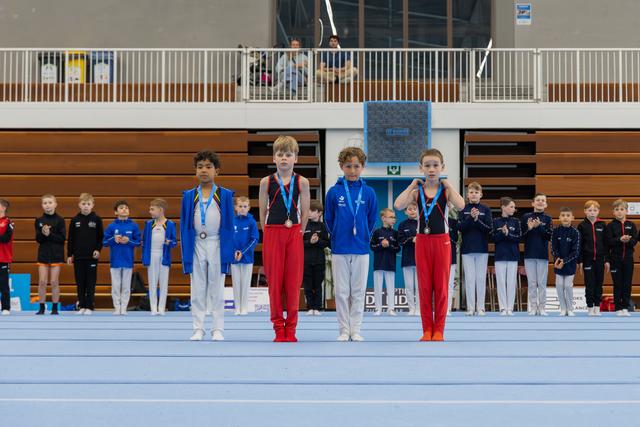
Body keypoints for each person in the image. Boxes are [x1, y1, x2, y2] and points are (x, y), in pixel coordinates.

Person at [394, 149, 465, 341]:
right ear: (421, 168)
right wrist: (410, 186)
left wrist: (448, 183)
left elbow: (461, 205)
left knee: (441, 288)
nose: (432, 169)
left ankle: (439, 329)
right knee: (424, 287)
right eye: (427, 166)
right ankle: (427, 329)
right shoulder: (417, 193)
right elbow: (398, 205)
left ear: (442, 167)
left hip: (442, 242)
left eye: (436, 165)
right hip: (422, 242)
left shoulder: (446, 191)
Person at [259, 136, 310, 342]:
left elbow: (305, 213)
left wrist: (298, 233)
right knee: (275, 283)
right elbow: (262, 213)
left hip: (294, 233)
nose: (284, 158)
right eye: (280, 155)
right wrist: (269, 233)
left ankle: (292, 328)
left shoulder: (302, 182)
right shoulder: (266, 182)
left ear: (295, 159)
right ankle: (278, 328)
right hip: (273, 233)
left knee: (292, 282)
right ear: (274, 158)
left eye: (288, 155)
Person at [181, 150, 235, 341]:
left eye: (208, 167)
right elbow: (185, 225)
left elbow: (229, 224)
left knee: (216, 287)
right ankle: (198, 327)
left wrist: (229, 249)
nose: (204, 170)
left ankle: (217, 328)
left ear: (217, 171)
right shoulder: (189, 196)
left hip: (217, 243)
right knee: (197, 287)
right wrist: (186, 252)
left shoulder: (225, 195)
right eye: (200, 167)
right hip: (196, 243)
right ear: (195, 171)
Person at [325, 146, 378, 342]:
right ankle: (343, 330)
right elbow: (328, 219)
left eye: (356, 166)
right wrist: (336, 237)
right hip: (340, 248)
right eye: (348, 166)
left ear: (362, 167)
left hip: (361, 248)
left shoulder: (369, 192)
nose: (352, 170)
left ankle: (356, 329)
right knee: (341, 291)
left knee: (357, 291)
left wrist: (364, 235)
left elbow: (372, 219)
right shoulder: (333, 192)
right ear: (341, 166)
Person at [67, 193, 104, 315]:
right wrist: (69, 254)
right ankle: (82, 305)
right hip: (78, 257)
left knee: (90, 282)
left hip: (91, 257)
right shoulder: (75, 220)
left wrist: (98, 249)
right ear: (79, 205)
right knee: (80, 282)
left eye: (88, 204)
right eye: (83, 204)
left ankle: (89, 306)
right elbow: (70, 239)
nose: (86, 206)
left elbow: (100, 237)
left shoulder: (97, 219)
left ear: (92, 205)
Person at [459, 182, 492, 316]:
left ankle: (481, 307)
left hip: (482, 249)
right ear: (467, 195)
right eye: (471, 192)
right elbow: (460, 227)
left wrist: (477, 219)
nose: (474, 195)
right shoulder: (463, 208)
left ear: (481, 195)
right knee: (470, 279)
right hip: (467, 249)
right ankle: (471, 307)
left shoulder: (486, 209)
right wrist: (470, 218)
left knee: (480, 278)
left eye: (476, 192)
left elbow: (488, 228)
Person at [103, 200, 141, 316]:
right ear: (116, 212)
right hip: (115, 261)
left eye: (126, 208)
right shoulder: (111, 226)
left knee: (126, 286)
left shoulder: (133, 226)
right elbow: (104, 242)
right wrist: (114, 239)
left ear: (129, 211)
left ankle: (124, 307)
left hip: (128, 260)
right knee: (116, 286)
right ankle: (117, 307)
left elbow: (138, 242)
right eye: (121, 208)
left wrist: (128, 241)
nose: (124, 209)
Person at [142, 198, 177, 316]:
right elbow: (145, 241)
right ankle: (153, 308)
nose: (150, 211)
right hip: (151, 255)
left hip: (164, 256)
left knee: (163, 283)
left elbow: (174, 242)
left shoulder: (170, 224)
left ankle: (161, 308)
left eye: (152, 209)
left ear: (160, 210)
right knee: (152, 283)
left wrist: (169, 243)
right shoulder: (148, 224)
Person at [522, 193, 553, 316]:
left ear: (545, 204)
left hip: (542, 255)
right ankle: (533, 307)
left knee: (542, 283)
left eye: (543, 200)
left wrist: (539, 227)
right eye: (538, 200)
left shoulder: (548, 218)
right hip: (529, 254)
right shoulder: (526, 217)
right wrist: (529, 228)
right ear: (533, 203)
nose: (540, 202)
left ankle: (542, 307)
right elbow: (521, 236)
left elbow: (549, 236)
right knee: (532, 283)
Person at [35, 194, 66, 315]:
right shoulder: (39, 220)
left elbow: (62, 238)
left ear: (55, 204)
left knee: (54, 281)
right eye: (45, 203)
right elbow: (38, 239)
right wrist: (43, 233)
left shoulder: (60, 220)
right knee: (42, 281)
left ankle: (54, 308)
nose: (47, 205)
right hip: (43, 254)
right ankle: (41, 307)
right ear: (42, 205)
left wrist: (49, 234)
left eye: (49, 202)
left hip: (56, 254)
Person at [606, 199, 637, 316]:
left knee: (627, 284)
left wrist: (628, 240)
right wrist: (619, 239)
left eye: (622, 209)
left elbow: (634, 241)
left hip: (628, 259)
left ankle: (625, 307)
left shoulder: (631, 225)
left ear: (626, 211)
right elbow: (608, 242)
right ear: (613, 212)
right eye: (617, 210)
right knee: (617, 283)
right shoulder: (610, 226)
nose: (619, 212)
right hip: (615, 259)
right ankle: (618, 308)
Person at [577, 200, 609, 316]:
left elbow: (606, 245)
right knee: (589, 284)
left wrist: (607, 260)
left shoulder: (602, 225)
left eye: (595, 210)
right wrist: (580, 261)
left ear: (598, 212)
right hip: (587, 260)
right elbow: (579, 245)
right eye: (589, 210)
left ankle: (597, 307)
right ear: (585, 211)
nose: (592, 212)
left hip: (600, 260)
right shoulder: (582, 225)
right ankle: (590, 307)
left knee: (599, 284)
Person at [492, 197, 521, 316]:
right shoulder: (495, 221)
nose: (513, 209)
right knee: (501, 282)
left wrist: (508, 234)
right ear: (503, 207)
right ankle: (503, 307)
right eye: (511, 207)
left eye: (514, 207)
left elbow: (518, 238)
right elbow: (493, 239)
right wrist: (501, 233)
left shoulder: (516, 222)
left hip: (513, 256)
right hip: (500, 256)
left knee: (511, 282)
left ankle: (510, 308)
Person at [231, 196, 259, 315]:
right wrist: (234, 251)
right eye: (240, 206)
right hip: (234, 256)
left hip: (247, 257)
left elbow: (254, 239)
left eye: (245, 207)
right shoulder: (232, 221)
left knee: (245, 283)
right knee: (236, 283)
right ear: (236, 207)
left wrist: (242, 252)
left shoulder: (251, 222)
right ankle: (237, 307)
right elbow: (228, 238)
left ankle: (244, 307)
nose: (242, 209)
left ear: (249, 208)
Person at [302, 199, 330, 315]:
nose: (309, 212)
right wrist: (310, 242)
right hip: (306, 260)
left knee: (318, 285)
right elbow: (299, 243)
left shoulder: (323, 227)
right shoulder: (304, 225)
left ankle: (317, 307)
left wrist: (317, 241)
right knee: (308, 285)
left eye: (312, 210)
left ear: (319, 213)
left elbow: (327, 243)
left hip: (319, 260)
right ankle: (309, 307)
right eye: (308, 210)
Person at [370, 208, 400, 315]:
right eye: (391, 217)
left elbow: (397, 249)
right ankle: (378, 308)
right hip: (378, 264)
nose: (394, 219)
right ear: (383, 218)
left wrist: (389, 245)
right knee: (378, 286)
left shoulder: (395, 233)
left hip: (390, 264)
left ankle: (391, 308)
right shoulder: (377, 232)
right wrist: (381, 245)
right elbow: (372, 246)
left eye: (394, 217)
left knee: (391, 287)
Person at [551, 207, 580, 316]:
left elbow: (575, 251)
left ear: (572, 217)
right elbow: (553, 248)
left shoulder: (575, 232)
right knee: (559, 285)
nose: (565, 218)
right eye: (563, 215)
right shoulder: (555, 231)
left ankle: (570, 308)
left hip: (570, 265)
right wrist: (558, 259)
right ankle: (563, 309)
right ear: (559, 217)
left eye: (568, 215)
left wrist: (565, 260)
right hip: (558, 264)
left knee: (567, 286)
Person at [398, 202, 419, 316]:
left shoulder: (423, 223)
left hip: (420, 259)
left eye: (414, 209)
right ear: (405, 212)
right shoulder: (402, 225)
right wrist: (412, 239)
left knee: (420, 286)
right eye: (409, 209)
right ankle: (411, 308)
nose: (412, 211)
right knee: (409, 286)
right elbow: (400, 241)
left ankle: (419, 308)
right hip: (407, 259)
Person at [0, 199, 14, 315]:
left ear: (3, 208)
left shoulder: (8, 222)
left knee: (4, 284)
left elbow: (5, 238)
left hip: (3, 257)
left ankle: (5, 307)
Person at [447, 212, 459, 315]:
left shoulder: (454, 222)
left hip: (451, 255)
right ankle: (438, 307)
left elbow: (456, 239)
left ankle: (447, 308)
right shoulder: (434, 221)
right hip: (437, 256)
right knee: (438, 284)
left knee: (449, 284)